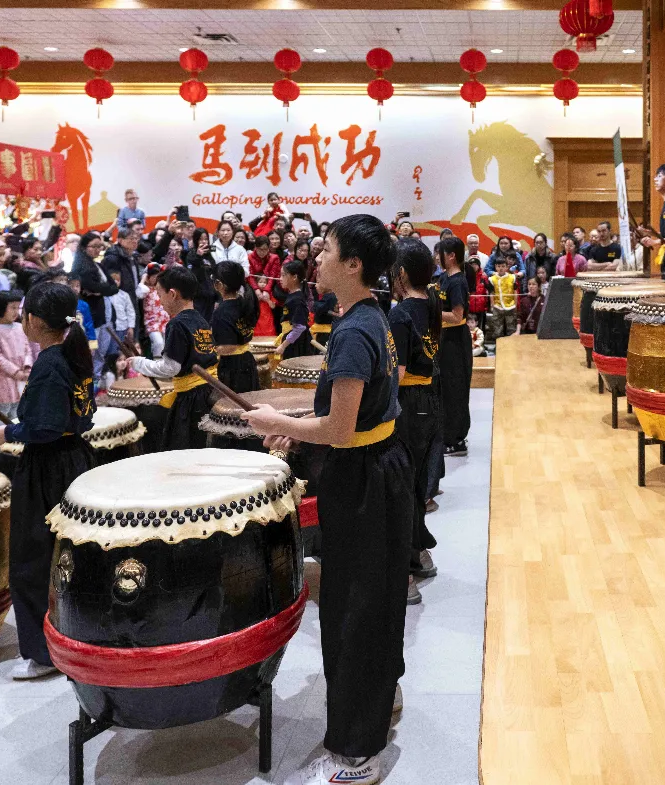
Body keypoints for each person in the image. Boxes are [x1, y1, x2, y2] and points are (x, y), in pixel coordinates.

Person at [243, 214, 412, 785]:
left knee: (352, 611)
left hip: (361, 481)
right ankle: (378, 702)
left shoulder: (352, 333)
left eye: (327, 251)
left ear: (354, 265)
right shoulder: (370, 318)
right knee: (376, 597)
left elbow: (340, 430)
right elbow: (352, 418)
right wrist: (294, 424)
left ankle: (355, 753)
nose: (316, 260)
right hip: (380, 470)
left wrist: (270, 418)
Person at [0, 281, 99, 680]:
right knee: (71, 554)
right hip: (76, 460)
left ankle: (44, 653)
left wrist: (9, 433)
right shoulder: (74, 354)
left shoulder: (51, 362)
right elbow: (82, 414)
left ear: (33, 320)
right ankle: (82, 634)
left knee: (32, 560)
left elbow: (47, 427)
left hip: (47, 467)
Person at [389, 238, 441, 606]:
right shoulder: (434, 302)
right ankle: (421, 553)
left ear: (402, 274)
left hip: (407, 403)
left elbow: (398, 371)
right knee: (418, 482)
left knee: (400, 488)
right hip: (429, 400)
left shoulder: (400, 313)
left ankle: (405, 570)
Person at [119, 266, 215, 451]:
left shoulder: (177, 324)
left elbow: (171, 368)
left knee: (185, 447)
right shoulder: (200, 319)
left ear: (172, 294)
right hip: (207, 391)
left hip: (191, 399)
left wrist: (140, 363)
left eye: (159, 294)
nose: (159, 300)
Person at [435, 236, 472, 457]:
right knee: (445, 390)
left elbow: (458, 316)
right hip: (445, 340)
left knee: (455, 390)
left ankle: (455, 439)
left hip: (455, 342)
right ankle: (447, 434)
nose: (438, 257)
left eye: (441, 253)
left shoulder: (458, 281)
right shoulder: (445, 278)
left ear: (451, 256)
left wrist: (431, 313)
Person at [211, 261, 261, 394]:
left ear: (219, 285)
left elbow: (228, 347)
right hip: (247, 360)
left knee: (235, 409)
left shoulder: (222, 312)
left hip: (232, 367)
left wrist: (208, 351)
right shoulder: (245, 301)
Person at [0, 290, 31, 424]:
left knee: (18, 408)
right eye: (12, 308)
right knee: (3, 410)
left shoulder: (20, 327)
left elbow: (27, 348)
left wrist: (27, 367)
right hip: (4, 377)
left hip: (23, 374)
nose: (16, 311)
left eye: (18, 308)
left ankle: (16, 439)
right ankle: (1, 442)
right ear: (0, 309)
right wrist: (15, 371)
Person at [73, 230, 121, 332]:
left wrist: (100, 291)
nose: (98, 249)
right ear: (83, 247)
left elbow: (114, 288)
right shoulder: (82, 267)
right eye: (94, 246)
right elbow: (93, 286)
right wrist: (104, 289)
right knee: (93, 346)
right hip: (90, 314)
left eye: (100, 246)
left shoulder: (98, 265)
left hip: (101, 311)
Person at [277, 260, 313, 360]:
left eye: (283, 275)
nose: (280, 279)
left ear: (294, 277)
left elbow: (299, 327)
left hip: (297, 344)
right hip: (292, 341)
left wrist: (284, 345)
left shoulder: (297, 300)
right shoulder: (293, 296)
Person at [249, 234, 282, 336]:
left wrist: (266, 290)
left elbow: (272, 276)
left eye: (265, 249)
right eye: (260, 249)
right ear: (255, 247)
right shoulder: (249, 257)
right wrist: (256, 290)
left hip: (270, 287)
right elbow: (249, 276)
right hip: (253, 287)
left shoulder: (274, 258)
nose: (262, 252)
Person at [185, 227, 217, 322]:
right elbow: (192, 276)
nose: (203, 242)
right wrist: (198, 256)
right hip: (198, 298)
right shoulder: (191, 255)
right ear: (195, 240)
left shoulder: (211, 256)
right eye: (200, 239)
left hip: (211, 298)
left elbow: (215, 276)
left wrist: (217, 297)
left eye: (206, 239)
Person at [489, 263, 518, 338]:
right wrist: (492, 305)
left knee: (511, 327)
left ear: (506, 267)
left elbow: (515, 291)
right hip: (497, 306)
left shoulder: (512, 277)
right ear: (495, 267)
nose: (501, 268)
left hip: (510, 306)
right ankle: (499, 346)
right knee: (497, 328)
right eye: (498, 266)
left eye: (503, 266)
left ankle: (512, 346)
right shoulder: (492, 279)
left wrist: (515, 304)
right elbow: (491, 293)